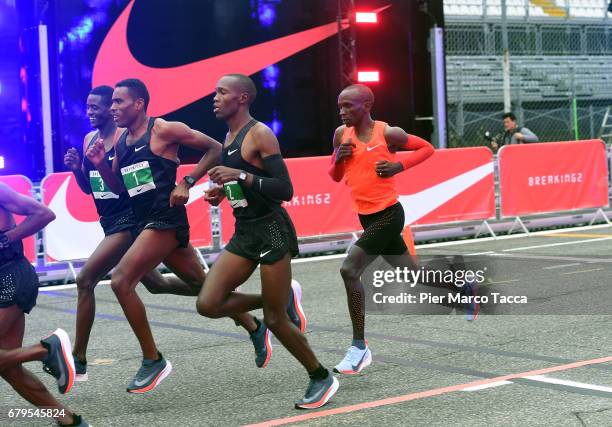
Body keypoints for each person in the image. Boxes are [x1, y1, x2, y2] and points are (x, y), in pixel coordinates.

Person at [87, 78, 261, 393]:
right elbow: (119, 189)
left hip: (165, 220)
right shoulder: (122, 143)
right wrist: (102, 165)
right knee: (198, 286)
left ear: (138, 104)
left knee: (121, 281)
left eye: (119, 102)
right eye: (111, 103)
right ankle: (260, 319)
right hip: (144, 222)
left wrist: (188, 180)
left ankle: (153, 359)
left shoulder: (163, 130)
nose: (113, 108)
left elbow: (215, 148)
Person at [196, 74, 338, 409]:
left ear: (242, 97)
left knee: (276, 320)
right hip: (245, 231)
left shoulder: (259, 133)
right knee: (208, 303)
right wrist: (223, 192)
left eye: (221, 92)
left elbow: (284, 189)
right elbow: (243, 185)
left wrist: (240, 176)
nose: (214, 98)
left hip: (271, 230)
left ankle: (320, 376)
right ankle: (282, 297)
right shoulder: (228, 135)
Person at [64, 85, 202, 383]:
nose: (92, 112)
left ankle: (79, 359)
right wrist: (79, 170)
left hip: (130, 221)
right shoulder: (91, 140)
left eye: (97, 107)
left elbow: (127, 187)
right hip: (111, 220)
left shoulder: (124, 138)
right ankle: (240, 302)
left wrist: (186, 182)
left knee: (87, 278)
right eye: (88, 107)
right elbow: (93, 188)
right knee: (158, 284)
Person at [328, 84, 436, 374]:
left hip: (389, 215)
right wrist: (338, 157)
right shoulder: (341, 135)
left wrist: (398, 166)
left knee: (349, 270)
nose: (342, 111)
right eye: (340, 106)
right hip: (366, 216)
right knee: (414, 274)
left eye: (348, 106)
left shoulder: (389, 134)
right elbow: (335, 176)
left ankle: (359, 348)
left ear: (366, 106)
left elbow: (428, 148)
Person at [0, 182, 90, 426]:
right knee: (8, 366)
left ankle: (45, 350)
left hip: (9, 278)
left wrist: (4, 239)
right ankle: (70, 421)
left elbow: (44, 213)